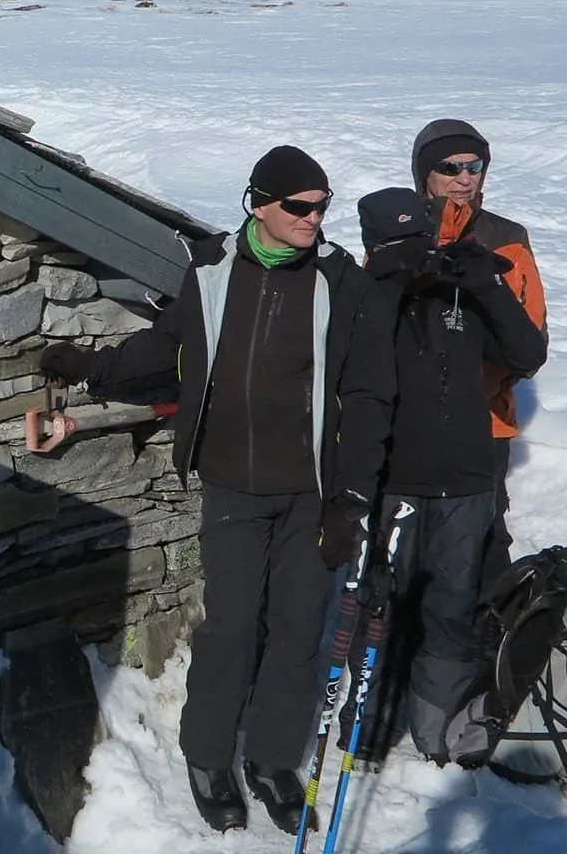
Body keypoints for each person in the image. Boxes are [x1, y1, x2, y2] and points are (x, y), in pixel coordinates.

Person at [38, 146, 395, 835]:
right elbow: (167, 346)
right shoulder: (211, 273)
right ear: (259, 203)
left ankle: (270, 761)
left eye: (322, 206)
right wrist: (91, 368)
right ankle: (207, 757)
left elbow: (372, 394)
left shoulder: (342, 285)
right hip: (233, 483)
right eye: (299, 206)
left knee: (297, 631)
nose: (314, 218)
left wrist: (352, 500)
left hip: (313, 493)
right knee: (232, 625)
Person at [349, 187, 548, 764]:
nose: (417, 254)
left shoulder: (461, 296)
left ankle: (434, 731)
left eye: (422, 240)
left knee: (452, 613)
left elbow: (525, 354)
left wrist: (485, 284)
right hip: (395, 483)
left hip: (466, 484)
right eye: (400, 243)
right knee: (379, 605)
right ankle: (365, 727)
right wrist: (389, 280)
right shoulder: (365, 299)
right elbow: (351, 361)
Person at [411, 119, 548, 582]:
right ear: (424, 174)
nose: (465, 178)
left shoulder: (507, 239)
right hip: (411, 421)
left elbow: (530, 339)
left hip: (485, 422)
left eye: (475, 167)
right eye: (450, 167)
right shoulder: (399, 233)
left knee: (486, 541)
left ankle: (491, 645)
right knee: (411, 542)